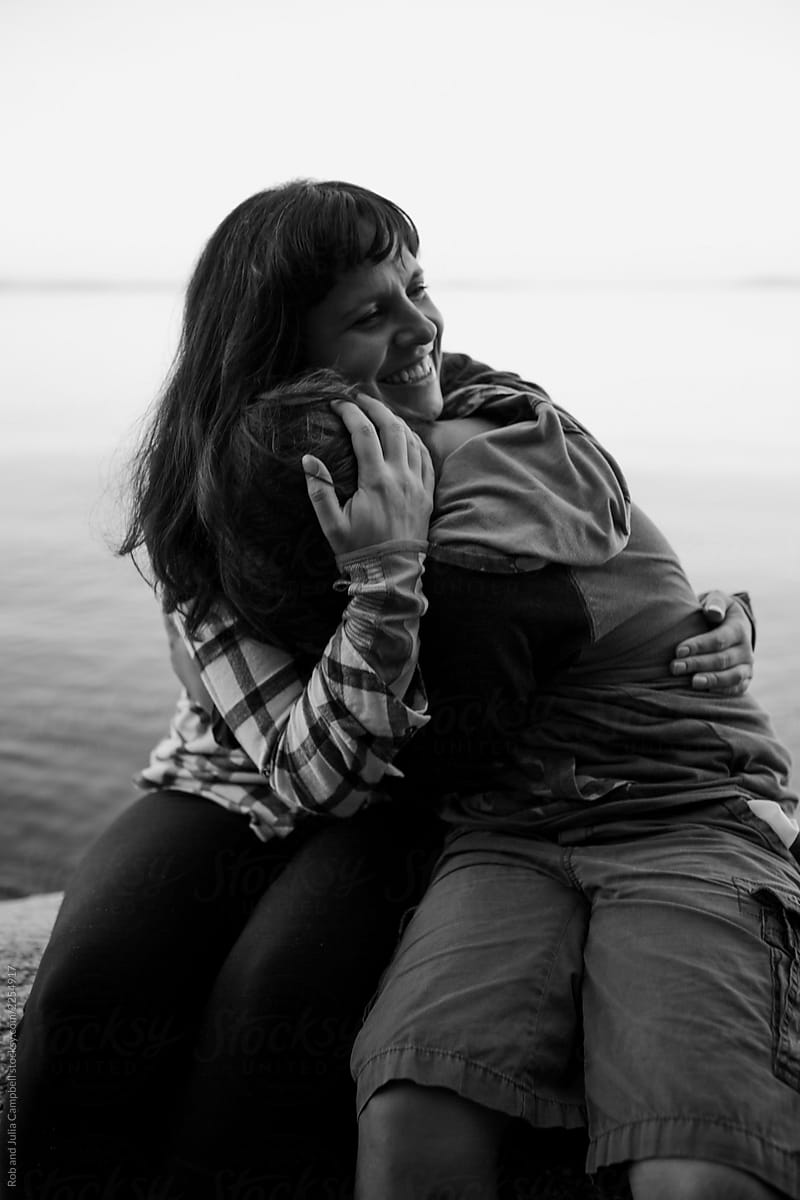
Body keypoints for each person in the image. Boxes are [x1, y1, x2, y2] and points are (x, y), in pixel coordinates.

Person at [5, 180, 759, 1199]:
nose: (420, 326)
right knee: (86, 997)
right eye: (371, 313)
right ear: (281, 348)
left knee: (277, 1000)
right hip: (241, 772)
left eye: (416, 285)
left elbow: (605, 564)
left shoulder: (467, 408)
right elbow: (308, 774)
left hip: (404, 793)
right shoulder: (222, 487)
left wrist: (708, 612)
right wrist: (384, 575)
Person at [194, 364, 799, 1200]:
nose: (415, 336)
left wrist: (384, 574)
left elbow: (434, 760)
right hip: (509, 835)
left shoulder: (486, 522)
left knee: (699, 1161)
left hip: (685, 818)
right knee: (412, 1104)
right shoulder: (417, 442)